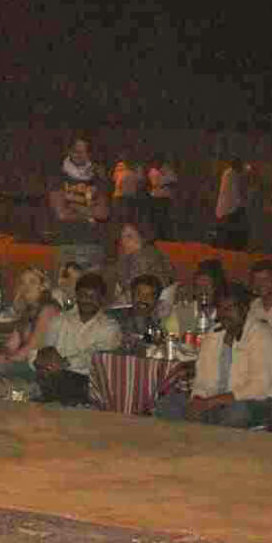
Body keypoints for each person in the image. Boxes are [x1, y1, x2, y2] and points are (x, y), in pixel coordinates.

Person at [153, 282, 272, 428]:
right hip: (219, 402)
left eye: (229, 308)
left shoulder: (262, 335)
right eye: (220, 308)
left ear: (244, 309)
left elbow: (258, 388)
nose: (223, 314)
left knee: (237, 412)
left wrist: (210, 402)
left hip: (264, 402)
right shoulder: (214, 334)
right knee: (167, 405)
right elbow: (202, 379)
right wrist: (197, 400)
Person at [34, 272, 121, 405]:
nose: (87, 300)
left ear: (102, 299)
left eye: (93, 297)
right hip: (54, 375)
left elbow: (96, 360)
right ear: (76, 296)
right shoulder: (60, 320)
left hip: (89, 382)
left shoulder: (110, 327)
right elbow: (46, 348)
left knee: (55, 382)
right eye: (83, 295)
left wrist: (65, 362)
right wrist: (44, 357)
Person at [47, 136, 109, 274]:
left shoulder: (97, 178)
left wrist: (75, 208)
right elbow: (61, 214)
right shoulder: (58, 176)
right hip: (67, 244)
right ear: (69, 151)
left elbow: (103, 213)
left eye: (84, 151)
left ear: (90, 154)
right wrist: (90, 212)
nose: (80, 155)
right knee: (66, 286)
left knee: (91, 285)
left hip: (93, 244)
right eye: (76, 151)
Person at [113, 220, 173, 296]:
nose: (123, 241)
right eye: (122, 237)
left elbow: (134, 289)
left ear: (141, 238)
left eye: (129, 236)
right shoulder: (128, 256)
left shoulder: (145, 257)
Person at [214, 157, 248, 251]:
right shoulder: (231, 175)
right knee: (230, 231)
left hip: (228, 208)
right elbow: (235, 192)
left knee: (228, 231)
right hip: (231, 208)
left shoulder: (228, 173)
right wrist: (241, 204)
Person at [145, 155, 177, 241]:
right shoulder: (152, 170)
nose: (156, 163)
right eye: (155, 162)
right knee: (155, 218)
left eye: (158, 161)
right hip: (154, 196)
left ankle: (165, 236)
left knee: (165, 218)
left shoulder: (168, 170)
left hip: (165, 197)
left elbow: (173, 182)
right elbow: (149, 182)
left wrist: (163, 183)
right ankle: (156, 236)